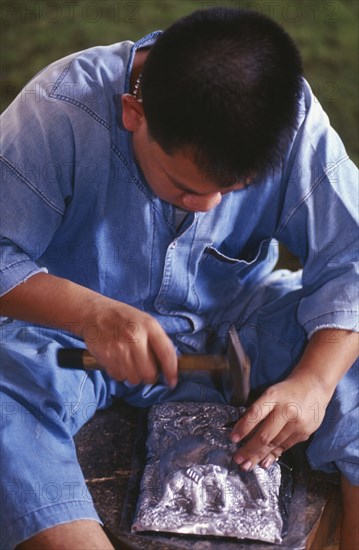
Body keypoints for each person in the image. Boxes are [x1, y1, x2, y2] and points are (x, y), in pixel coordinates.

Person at [0, 7, 357, 549]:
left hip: (235, 317)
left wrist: (314, 382)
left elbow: (351, 256)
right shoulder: (59, 109)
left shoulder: (290, 117)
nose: (208, 205)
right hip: (69, 340)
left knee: (344, 356)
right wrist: (92, 314)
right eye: (186, 188)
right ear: (132, 114)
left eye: (232, 190)